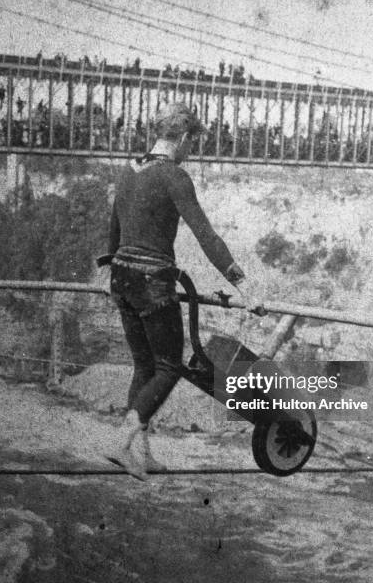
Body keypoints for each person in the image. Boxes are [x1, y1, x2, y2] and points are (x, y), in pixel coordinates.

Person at [97, 102, 263, 480]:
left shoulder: (130, 169)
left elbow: (115, 227)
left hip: (121, 278)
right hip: (152, 283)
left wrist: (110, 269)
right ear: (185, 138)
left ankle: (141, 452)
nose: (191, 152)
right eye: (193, 144)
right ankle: (121, 443)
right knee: (170, 366)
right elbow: (206, 235)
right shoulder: (174, 176)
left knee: (145, 365)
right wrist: (243, 284)